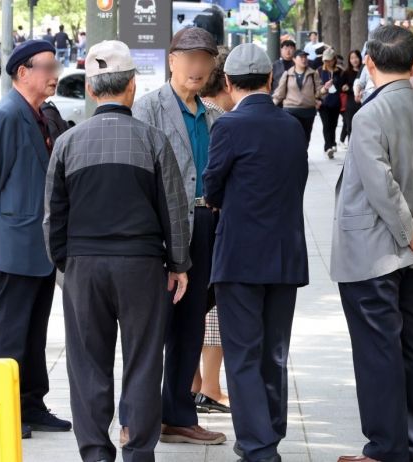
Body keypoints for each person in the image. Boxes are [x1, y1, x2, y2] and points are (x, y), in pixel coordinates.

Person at [43, 40, 190, 461]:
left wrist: (63, 264)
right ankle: (139, 451)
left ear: (91, 90)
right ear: (132, 87)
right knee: (144, 361)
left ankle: (94, 453)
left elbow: (53, 215)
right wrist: (179, 263)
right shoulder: (153, 140)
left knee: (87, 363)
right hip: (142, 265)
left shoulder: (69, 144)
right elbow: (175, 210)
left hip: (84, 266)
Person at [331, 25, 413, 462]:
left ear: (368, 62)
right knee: (408, 348)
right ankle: (408, 445)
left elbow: (380, 185)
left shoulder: (369, 115)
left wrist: (411, 230)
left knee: (377, 352)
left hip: (373, 252)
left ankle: (384, 448)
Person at [204, 43, 309, 462]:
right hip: (285, 255)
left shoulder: (228, 126)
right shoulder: (291, 126)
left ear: (228, 83)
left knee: (243, 354)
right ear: (270, 80)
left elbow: (212, 186)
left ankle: (257, 445)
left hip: (240, 257)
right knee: (274, 353)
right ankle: (270, 434)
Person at [0, 39, 71, 439]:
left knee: (34, 330)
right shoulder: (7, 115)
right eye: (47, 67)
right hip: (15, 239)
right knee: (9, 331)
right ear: (22, 72)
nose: (54, 74)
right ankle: (3, 408)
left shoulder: (40, 114)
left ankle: (30, 403)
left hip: (40, 242)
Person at [130, 26, 226, 446]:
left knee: (191, 325)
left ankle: (178, 415)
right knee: (152, 326)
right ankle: (135, 417)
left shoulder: (214, 115)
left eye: (205, 59)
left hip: (206, 223)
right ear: (171, 60)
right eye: (189, 58)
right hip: (162, 226)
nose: (198, 66)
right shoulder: (147, 109)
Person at [193, 46, 234, 415]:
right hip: (212, 220)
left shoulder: (189, 113)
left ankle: (194, 386)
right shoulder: (219, 117)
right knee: (212, 314)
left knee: (193, 309)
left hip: (188, 224)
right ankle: (210, 386)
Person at [272, 49, 323, 145]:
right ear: (294, 59)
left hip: (308, 111)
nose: (304, 59)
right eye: (301, 57)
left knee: (305, 138)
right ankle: (293, 157)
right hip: (291, 111)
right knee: (292, 137)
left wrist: (325, 89)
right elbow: (279, 93)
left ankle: (303, 157)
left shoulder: (313, 74)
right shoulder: (287, 74)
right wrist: (271, 105)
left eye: (305, 57)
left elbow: (319, 91)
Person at [317, 48, 342, 158]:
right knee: (326, 125)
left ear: (334, 60)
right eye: (325, 60)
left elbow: (342, 85)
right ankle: (328, 147)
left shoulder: (339, 71)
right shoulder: (319, 71)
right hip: (323, 103)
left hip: (336, 102)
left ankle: (333, 142)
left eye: (329, 60)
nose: (327, 62)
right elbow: (316, 86)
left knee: (333, 124)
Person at [339, 50, 362, 145]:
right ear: (349, 60)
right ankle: (351, 146)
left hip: (363, 101)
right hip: (351, 102)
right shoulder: (346, 73)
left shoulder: (364, 71)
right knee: (351, 126)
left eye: (356, 57)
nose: (354, 60)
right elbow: (342, 88)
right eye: (352, 58)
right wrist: (349, 90)